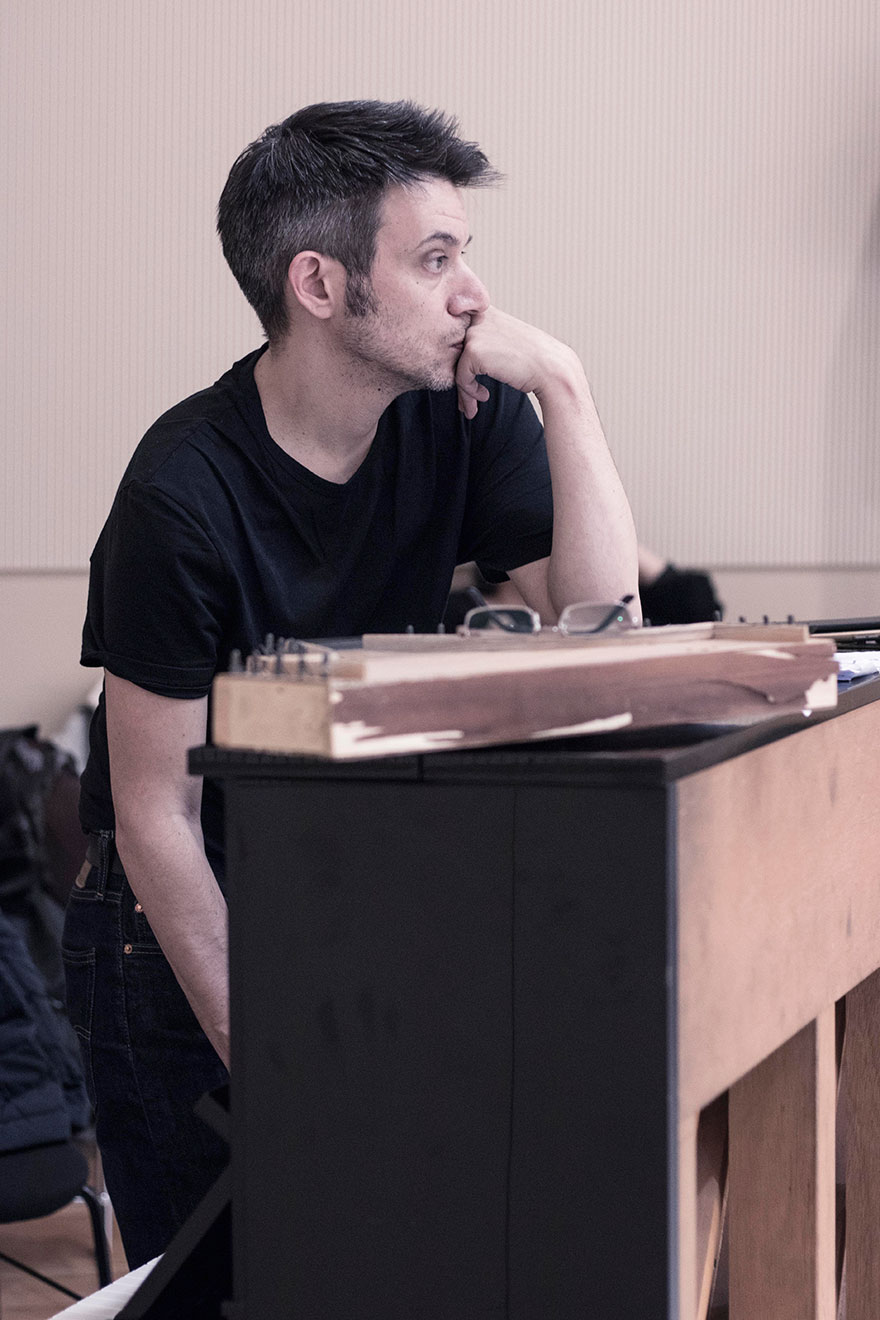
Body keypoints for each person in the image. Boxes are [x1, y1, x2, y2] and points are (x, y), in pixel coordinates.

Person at [63, 99, 639, 1268]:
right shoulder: (180, 496)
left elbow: (605, 638)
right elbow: (153, 814)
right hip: (177, 927)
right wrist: (272, 1062)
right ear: (320, 285)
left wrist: (566, 390)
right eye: (435, 260)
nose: (474, 295)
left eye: (465, 255)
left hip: (348, 889)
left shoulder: (459, 417)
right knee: (224, 1281)